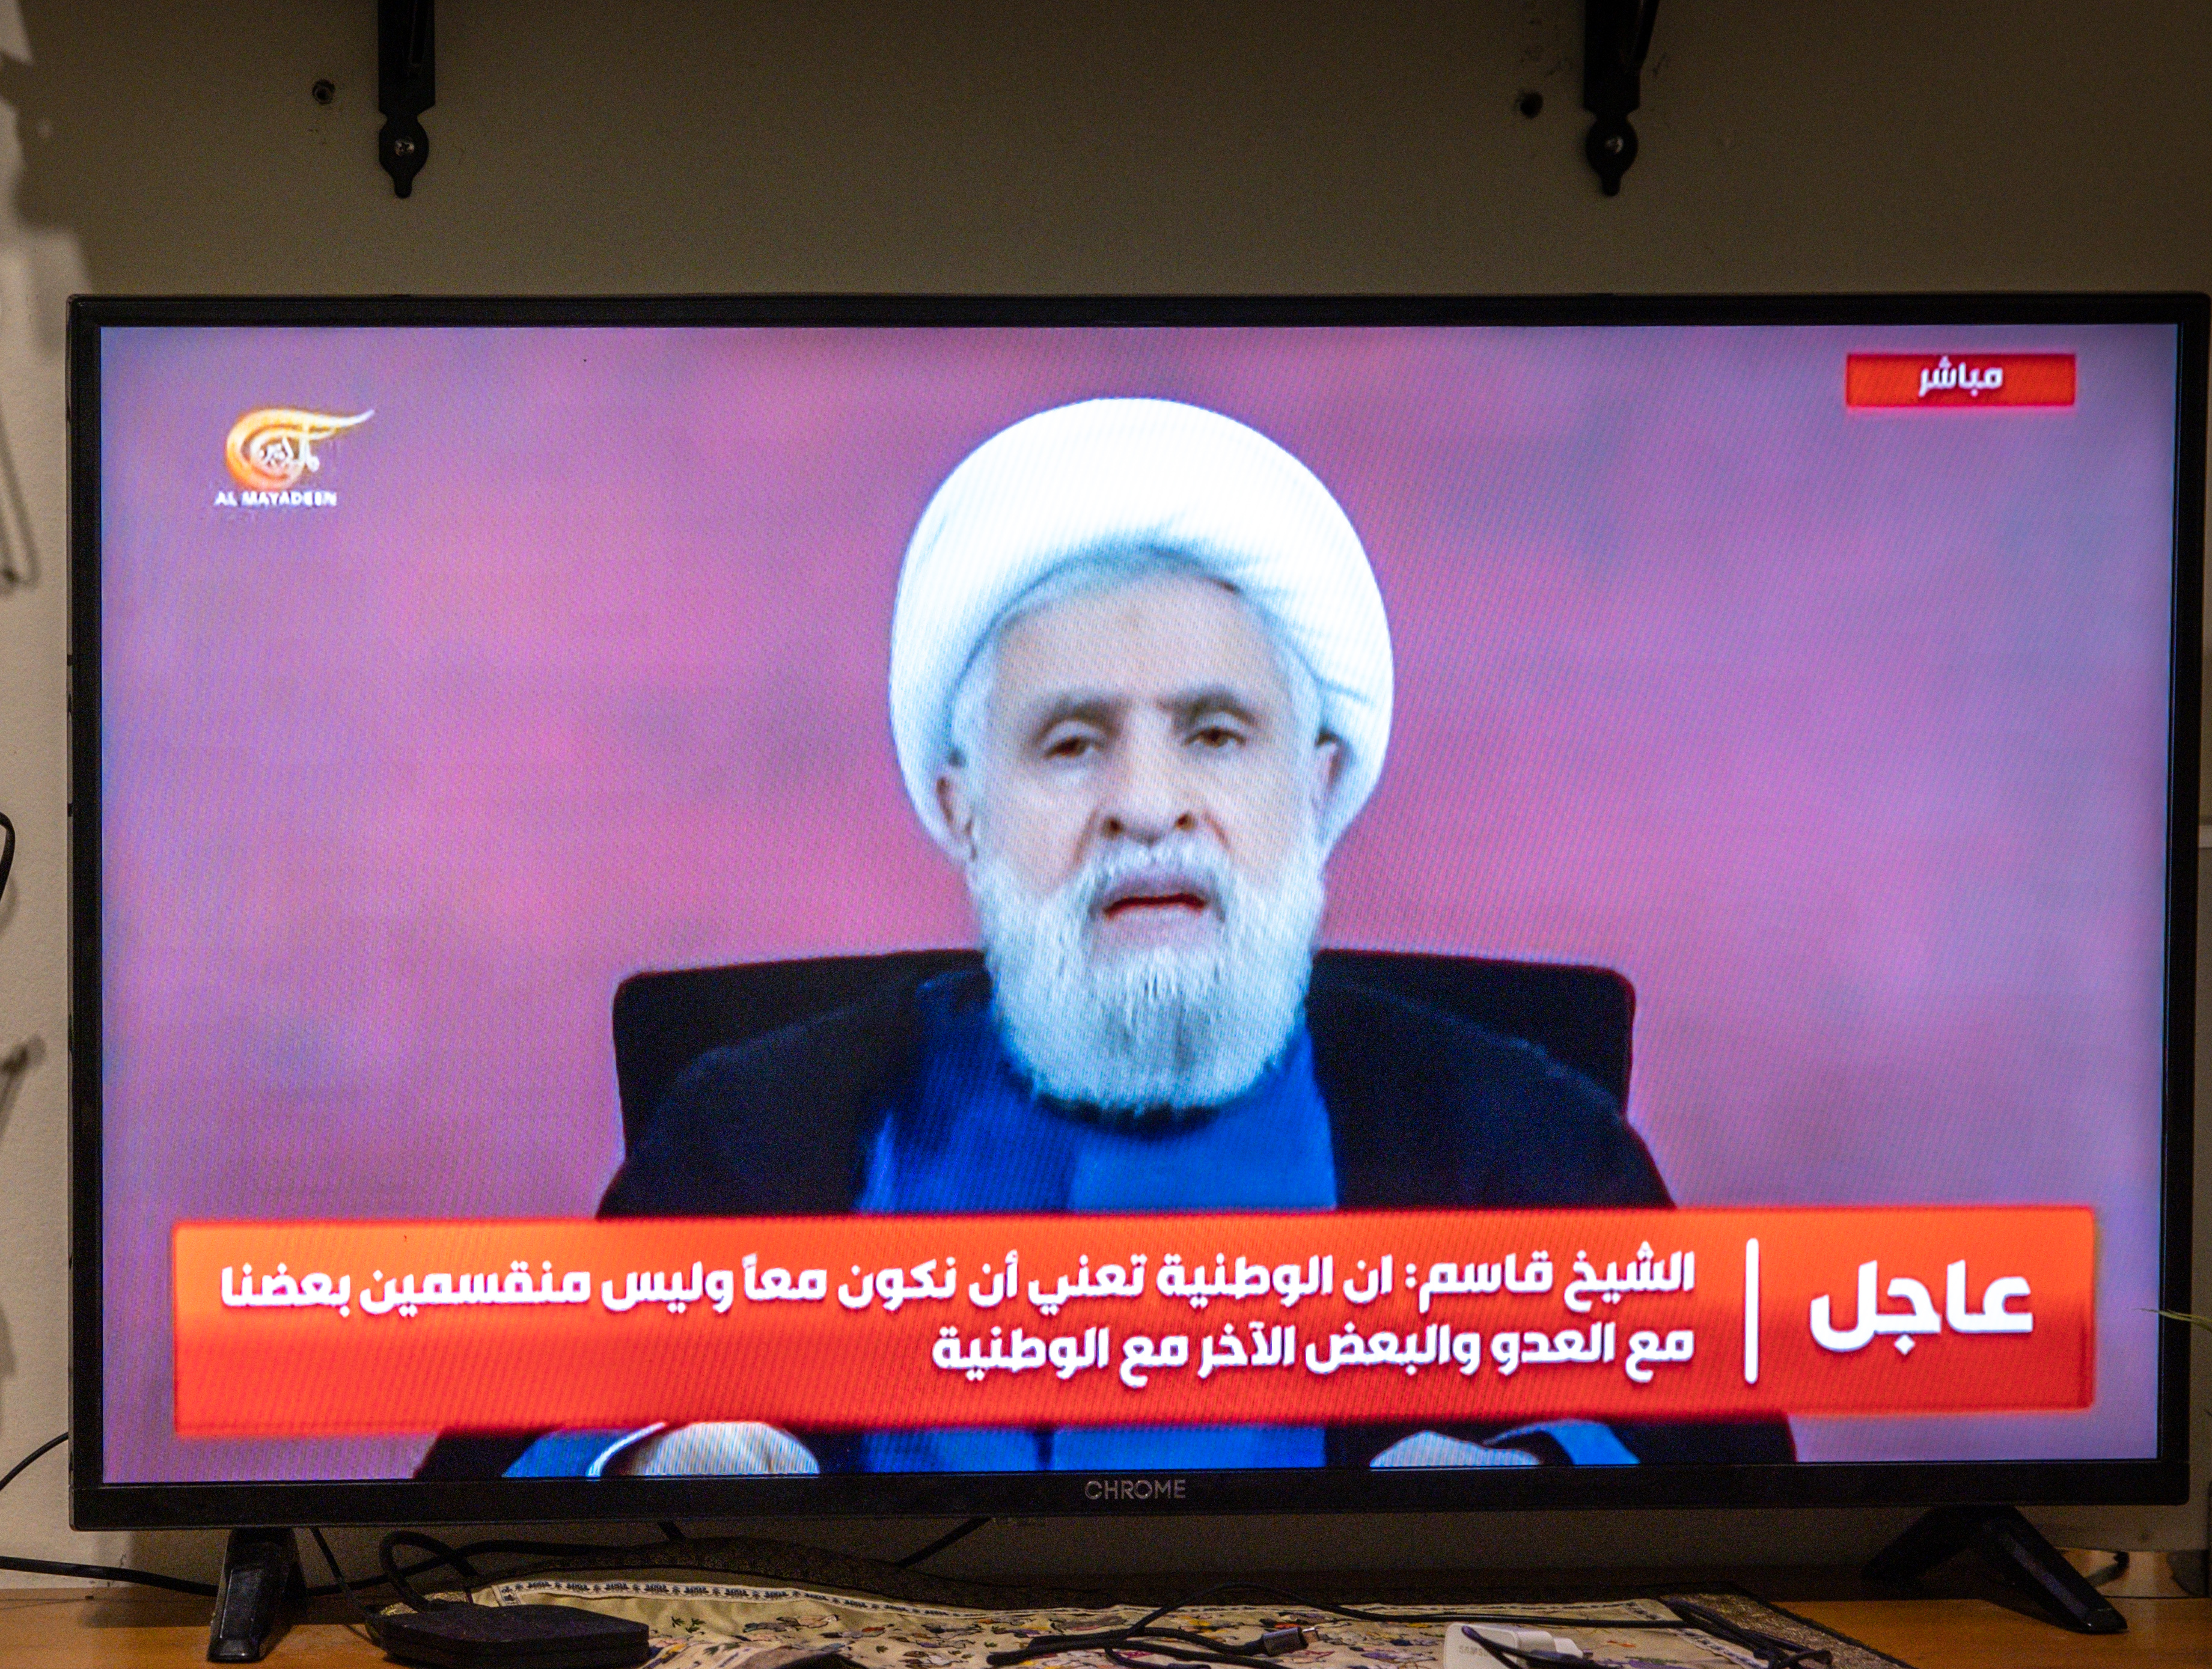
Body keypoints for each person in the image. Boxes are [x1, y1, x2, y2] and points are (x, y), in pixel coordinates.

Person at [484, 395, 1784, 1479]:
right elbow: (488, 1476)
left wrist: (1546, 1478)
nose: (1147, 804)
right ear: (963, 811)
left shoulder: (1511, 1125)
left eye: (1215, 734)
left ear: (1316, 789)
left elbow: (1732, 1471)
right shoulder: (765, 1126)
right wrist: (642, 1464)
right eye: (1070, 742)